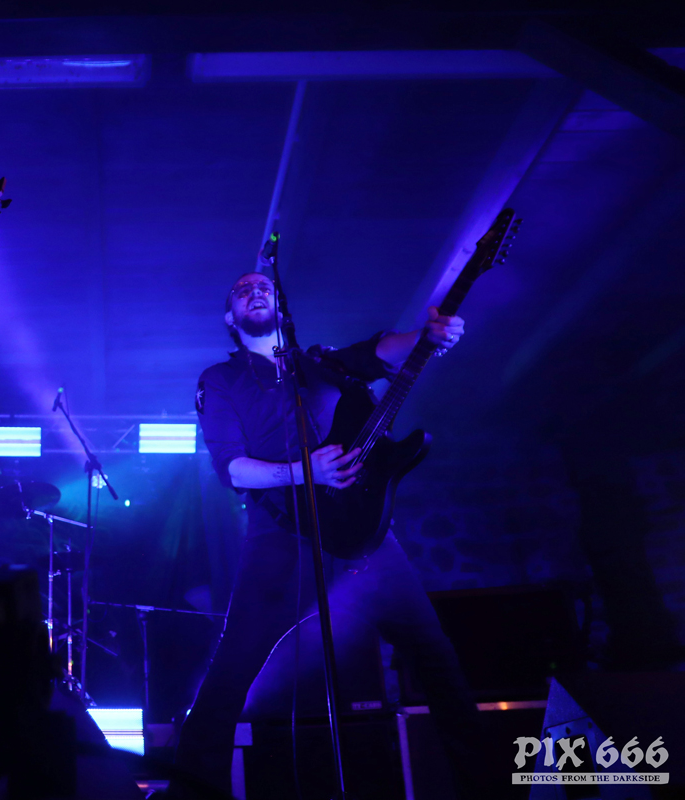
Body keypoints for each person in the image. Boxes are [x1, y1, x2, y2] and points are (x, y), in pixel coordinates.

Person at [171, 270, 482, 798]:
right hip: (281, 535)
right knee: (231, 672)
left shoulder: (321, 362)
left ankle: (484, 785)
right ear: (230, 317)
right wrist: (304, 471)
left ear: (281, 306)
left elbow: (381, 351)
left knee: (438, 659)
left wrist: (427, 335)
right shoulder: (220, 380)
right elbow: (232, 469)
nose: (254, 291)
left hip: (366, 535)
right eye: (241, 291)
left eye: (263, 286)